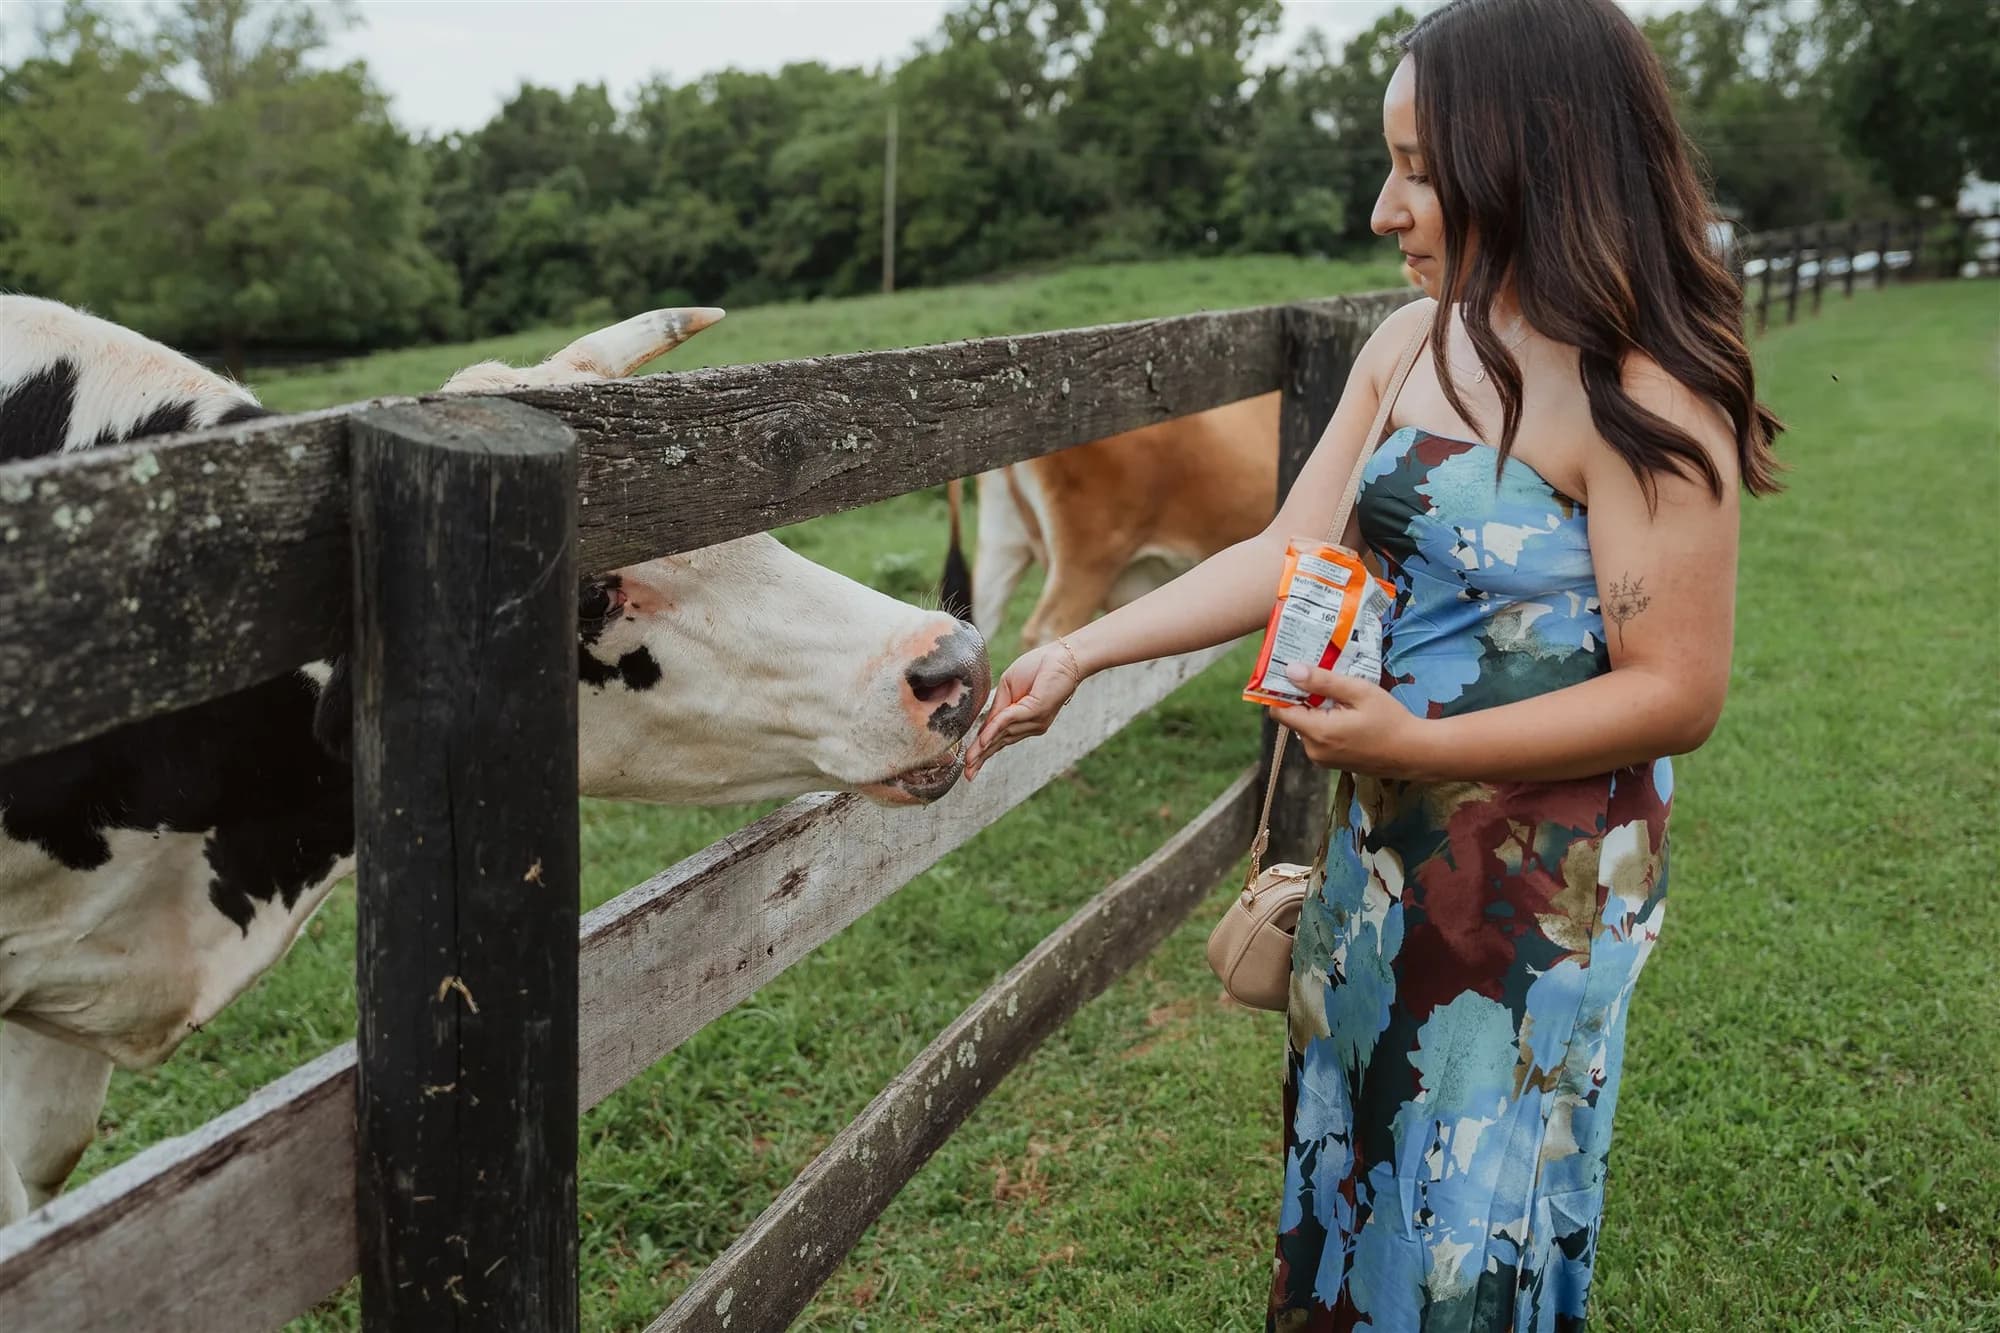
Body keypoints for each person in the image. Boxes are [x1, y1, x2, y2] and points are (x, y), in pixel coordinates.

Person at [959, 0, 1783, 1326]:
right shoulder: (1409, 346)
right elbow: (1294, 546)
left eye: (1415, 167)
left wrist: (1416, 743)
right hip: (1379, 874)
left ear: (1533, 157)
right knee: (1348, 1188)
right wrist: (1082, 653)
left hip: (1530, 912)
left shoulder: (1646, 390)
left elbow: (1676, 691)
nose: (1381, 208)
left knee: (1462, 1237)